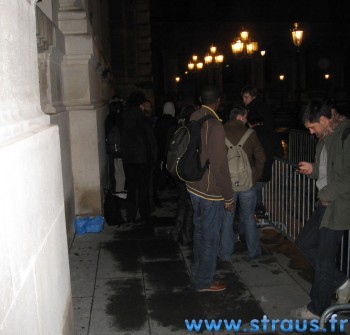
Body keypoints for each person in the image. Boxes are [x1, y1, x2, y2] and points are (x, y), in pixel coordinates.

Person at [291, 99, 350, 320]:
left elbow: (347, 176)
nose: (310, 132)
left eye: (312, 127)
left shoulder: (345, 135)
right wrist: (313, 169)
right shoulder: (324, 137)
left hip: (338, 205)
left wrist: (326, 194)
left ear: (324, 120)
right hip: (324, 202)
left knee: (324, 260)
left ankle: (318, 309)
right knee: (304, 243)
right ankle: (341, 281)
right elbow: (327, 170)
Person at [186, 85, 234, 292]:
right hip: (209, 191)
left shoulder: (194, 117)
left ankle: (198, 273)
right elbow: (219, 165)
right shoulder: (215, 125)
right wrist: (228, 196)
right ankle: (204, 281)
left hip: (193, 184)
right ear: (218, 102)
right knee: (210, 237)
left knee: (199, 233)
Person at [219, 106, 265, 261]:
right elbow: (261, 158)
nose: (247, 119)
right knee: (248, 217)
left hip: (227, 184)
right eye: (246, 116)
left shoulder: (220, 132)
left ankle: (225, 253)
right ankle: (254, 252)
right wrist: (254, 177)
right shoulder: (250, 134)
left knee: (226, 219)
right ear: (240, 116)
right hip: (247, 183)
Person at [121, 91, 157, 225]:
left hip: (128, 159)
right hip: (142, 159)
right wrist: (152, 156)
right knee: (143, 188)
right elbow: (148, 139)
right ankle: (145, 215)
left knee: (131, 188)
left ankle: (130, 215)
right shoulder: (141, 118)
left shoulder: (125, 117)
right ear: (140, 104)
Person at [247, 115, 283, 216]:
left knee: (251, 196)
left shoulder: (248, 135)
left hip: (252, 173)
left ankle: (254, 216)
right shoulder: (272, 134)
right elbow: (280, 154)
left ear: (249, 124)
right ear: (261, 123)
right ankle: (259, 210)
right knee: (258, 191)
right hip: (268, 172)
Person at [105, 95, 125, 192]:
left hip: (112, 150)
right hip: (119, 150)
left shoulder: (109, 119)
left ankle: (117, 191)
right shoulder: (119, 119)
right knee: (120, 172)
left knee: (115, 172)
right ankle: (119, 193)